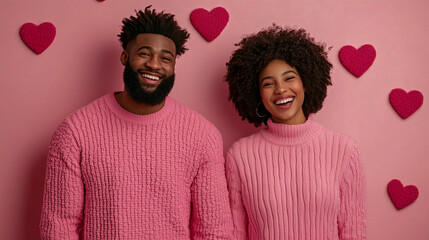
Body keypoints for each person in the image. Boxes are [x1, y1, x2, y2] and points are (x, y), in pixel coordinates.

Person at [40, 6, 233, 239]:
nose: (154, 64)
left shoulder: (203, 135)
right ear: (125, 56)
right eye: (144, 53)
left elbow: (214, 230)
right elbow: (59, 226)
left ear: (173, 67)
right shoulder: (75, 132)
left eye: (165, 58)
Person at [224, 25, 366, 239]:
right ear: (257, 94)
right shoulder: (240, 156)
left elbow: (354, 232)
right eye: (268, 83)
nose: (280, 89)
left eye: (289, 78)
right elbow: (236, 233)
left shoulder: (344, 150)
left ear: (306, 83)